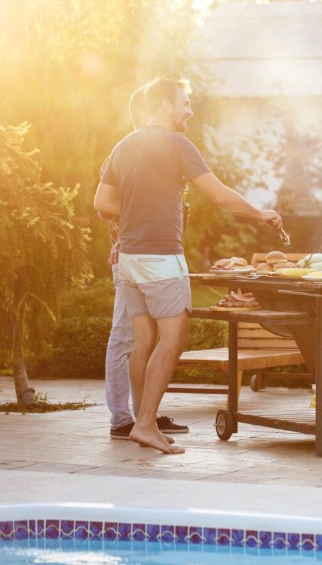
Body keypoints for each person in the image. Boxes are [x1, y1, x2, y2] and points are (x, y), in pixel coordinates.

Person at [94, 77, 282, 454]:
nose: (189, 111)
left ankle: (143, 422)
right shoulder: (177, 143)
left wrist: (140, 208)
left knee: (144, 341)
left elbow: (102, 203)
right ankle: (144, 423)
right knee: (174, 339)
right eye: (184, 104)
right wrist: (260, 214)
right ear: (164, 105)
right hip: (161, 258)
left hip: (129, 259)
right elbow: (219, 196)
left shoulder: (124, 146)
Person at [103, 86, 189, 441]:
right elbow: (105, 205)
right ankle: (123, 419)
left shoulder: (152, 153)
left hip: (139, 255)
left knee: (144, 339)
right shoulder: (129, 151)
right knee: (126, 337)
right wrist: (140, 217)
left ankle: (145, 417)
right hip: (132, 255)